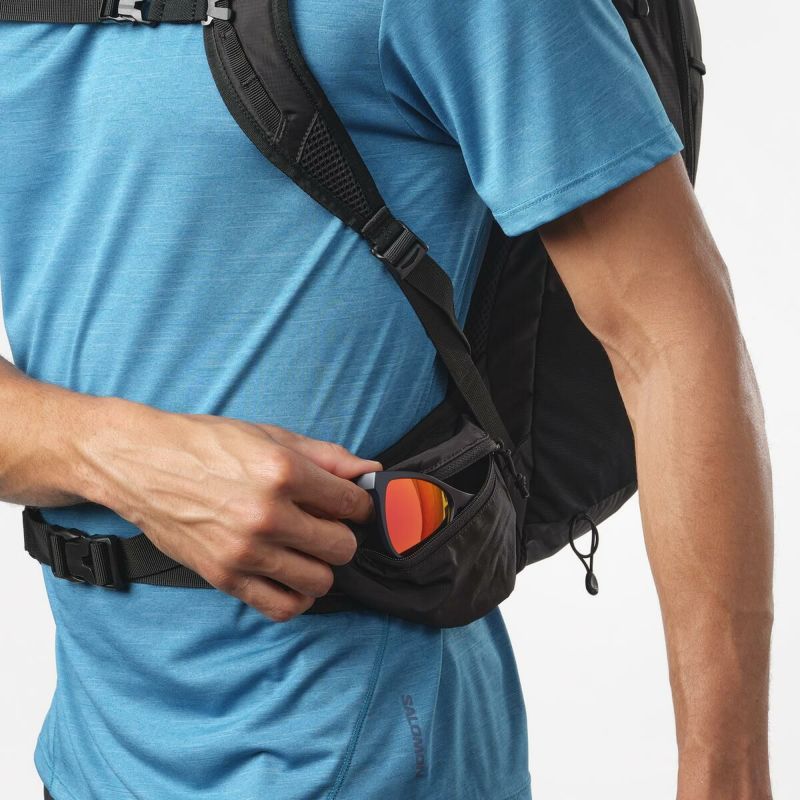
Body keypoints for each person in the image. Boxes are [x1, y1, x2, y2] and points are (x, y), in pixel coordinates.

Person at [0, 1, 773, 799]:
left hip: (377, 760)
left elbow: (670, 339)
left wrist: (728, 776)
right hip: (87, 759)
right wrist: (120, 457)